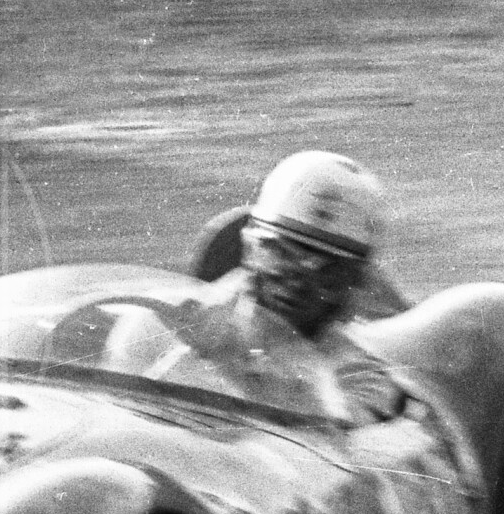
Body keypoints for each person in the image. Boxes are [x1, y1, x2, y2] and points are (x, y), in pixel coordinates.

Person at [167, 151, 408, 423]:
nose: (297, 284)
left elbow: (349, 427)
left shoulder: (365, 370)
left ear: (356, 283)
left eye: (327, 272)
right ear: (249, 247)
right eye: (280, 254)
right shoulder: (183, 321)